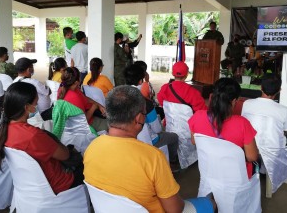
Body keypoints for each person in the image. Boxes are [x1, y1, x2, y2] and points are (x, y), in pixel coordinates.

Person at [84, 85, 215, 213]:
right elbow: (175, 209)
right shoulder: (152, 157)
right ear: (139, 118)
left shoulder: (91, 148)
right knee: (211, 203)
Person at [0, 82, 84, 194]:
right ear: (27, 107)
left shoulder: (4, 130)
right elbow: (65, 155)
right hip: (59, 183)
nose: (36, 107)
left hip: (30, 185)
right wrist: (50, 137)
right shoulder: (33, 135)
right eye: (35, 104)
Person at [189, 78, 258, 179]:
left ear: (212, 96)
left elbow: (194, 141)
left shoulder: (197, 116)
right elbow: (252, 157)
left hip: (209, 171)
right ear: (234, 101)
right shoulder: (243, 123)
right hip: (236, 176)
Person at [124, 64, 179, 168]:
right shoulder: (145, 103)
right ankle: (172, 162)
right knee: (174, 137)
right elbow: (157, 129)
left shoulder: (118, 97)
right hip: (147, 142)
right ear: (141, 81)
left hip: (125, 139)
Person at [241, 74, 287, 157]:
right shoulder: (284, 110)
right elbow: (284, 132)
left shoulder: (247, 103)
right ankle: (277, 159)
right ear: (279, 90)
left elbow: (244, 124)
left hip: (250, 144)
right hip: (271, 149)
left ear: (261, 88)